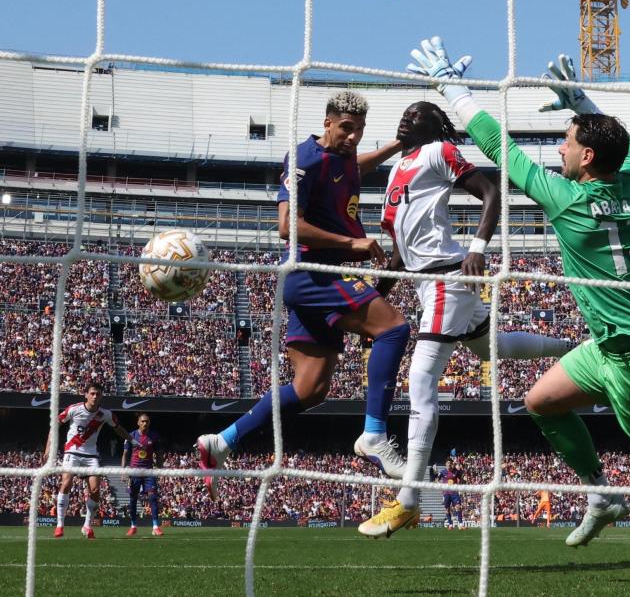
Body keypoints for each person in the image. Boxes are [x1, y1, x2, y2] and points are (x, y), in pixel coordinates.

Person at [403, 37, 630, 580]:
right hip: (616, 346)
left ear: (587, 157)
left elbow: (501, 148)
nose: (560, 150)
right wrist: (581, 103)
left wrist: (453, 89)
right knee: (541, 402)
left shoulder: (569, 201)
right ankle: (600, 494)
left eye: (567, 142)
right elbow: (628, 145)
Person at [358, 101, 573, 537]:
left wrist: (478, 247)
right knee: (488, 347)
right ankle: (573, 348)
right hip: (428, 282)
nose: (407, 115)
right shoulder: (395, 171)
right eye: (407, 110)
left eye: (418, 113)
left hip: (447, 279)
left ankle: (408, 500)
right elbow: (400, 253)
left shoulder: (439, 150)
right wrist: (370, 302)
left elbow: (491, 191)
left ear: (435, 125)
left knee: (421, 380)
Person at [196, 91, 415, 497]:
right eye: (346, 128)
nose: (353, 137)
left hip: (322, 274)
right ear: (327, 123)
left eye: (360, 130)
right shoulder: (304, 159)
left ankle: (221, 441)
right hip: (310, 271)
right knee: (394, 329)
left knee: (311, 389)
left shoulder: (341, 158)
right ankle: (375, 435)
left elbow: (352, 166)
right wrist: (353, 245)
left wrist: (396, 146)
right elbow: (286, 225)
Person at [46, 383, 134, 539]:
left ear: (101, 396)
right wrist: (48, 448)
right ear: (86, 394)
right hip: (72, 451)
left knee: (95, 490)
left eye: (98, 394)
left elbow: (117, 427)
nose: (95, 396)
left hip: (91, 455)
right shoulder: (74, 409)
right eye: (92, 393)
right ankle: (60, 525)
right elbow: (55, 424)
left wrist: (131, 440)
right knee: (66, 483)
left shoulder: (106, 414)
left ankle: (87, 526)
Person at [121, 412, 163, 536]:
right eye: (143, 421)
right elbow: (125, 454)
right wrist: (123, 471)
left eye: (147, 421)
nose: (145, 423)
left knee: (153, 497)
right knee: (133, 499)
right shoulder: (131, 436)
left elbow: (159, 454)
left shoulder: (154, 436)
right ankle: (133, 525)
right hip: (134, 472)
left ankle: (155, 526)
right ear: (138, 422)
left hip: (149, 471)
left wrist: (160, 467)